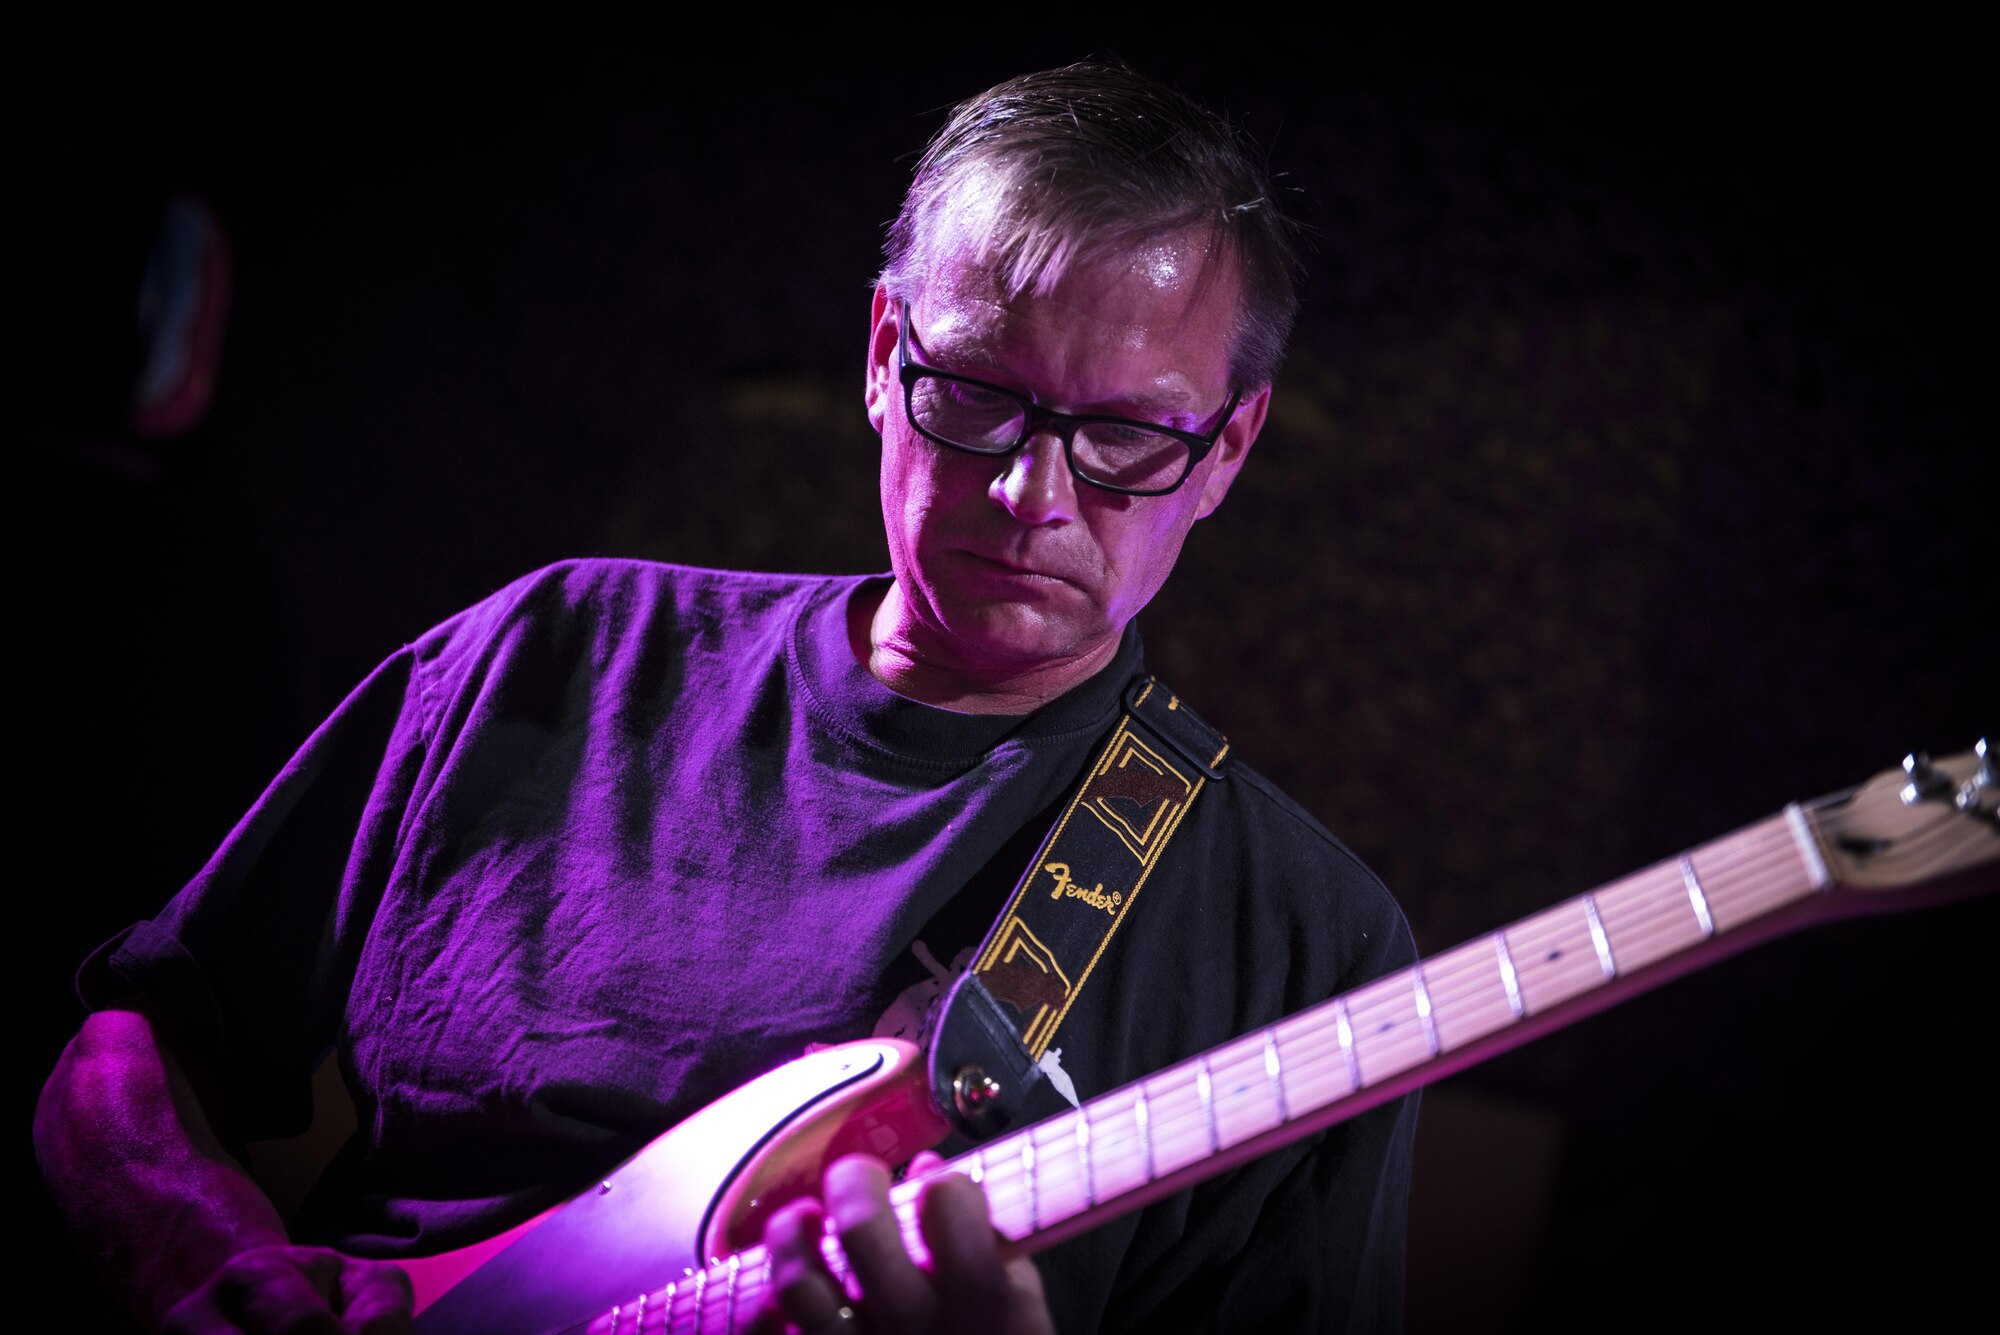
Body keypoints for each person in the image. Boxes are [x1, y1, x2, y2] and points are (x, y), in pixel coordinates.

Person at [34, 62, 1420, 1334]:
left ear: (1229, 446)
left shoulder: (1309, 946)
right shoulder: (560, 654)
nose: (1030, 494)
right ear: (885, 355)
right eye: (980, 399)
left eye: (1124, 434)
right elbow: (138, 1041)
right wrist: (213, 1271)